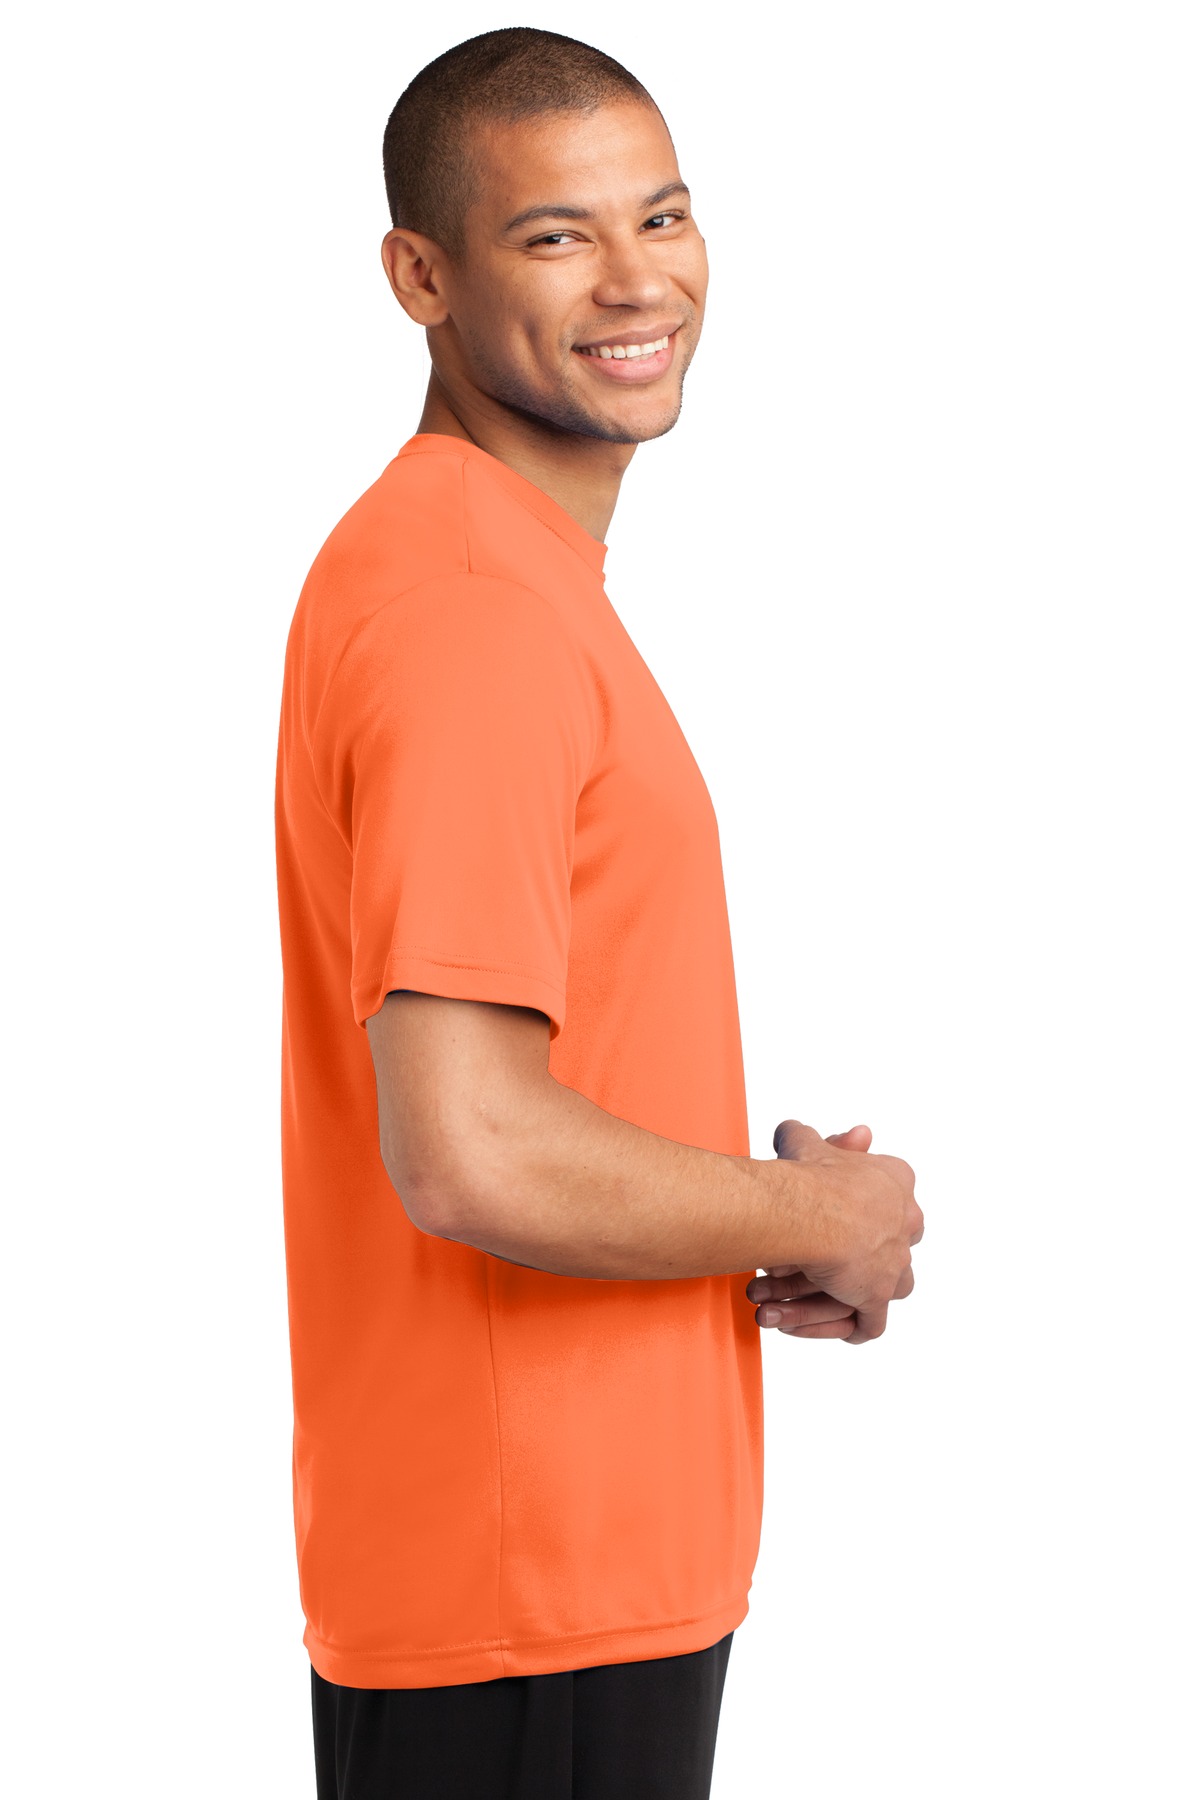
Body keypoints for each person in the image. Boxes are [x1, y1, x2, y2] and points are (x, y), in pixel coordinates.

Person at [274, 26, 924, 1800]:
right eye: (555, 235)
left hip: (548, 1573)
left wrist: (752, 1216)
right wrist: (825, 1211)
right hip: (535, 1593)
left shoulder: (493, 572)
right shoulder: (475, 613)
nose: (639, 281)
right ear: (421, 276)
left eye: (664, 214)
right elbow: (470, 1150)